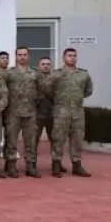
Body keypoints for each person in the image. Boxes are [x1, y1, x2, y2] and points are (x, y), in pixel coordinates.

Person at [44, 47, 93, 178]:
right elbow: (48, 90)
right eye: (69, 55)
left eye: (74, 55)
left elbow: (88, 91)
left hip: (77, 111)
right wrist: (59, 101)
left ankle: (77, 165)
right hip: (61, 111)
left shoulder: (84, 74)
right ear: (64, 58)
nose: (72, 57)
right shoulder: (56, 74)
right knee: (58, 138)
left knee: (77, 138)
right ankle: (56, 164)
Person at [3, 46, 40, 178]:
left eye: (25, 55)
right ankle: (12, 166)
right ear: (16, 56)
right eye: (20, 55)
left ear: (28, 56)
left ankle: (31, 166)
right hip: (13, 112)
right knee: (11, 141)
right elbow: (3, 90)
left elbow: (41, 90)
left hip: (30, 113)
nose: (22, 57)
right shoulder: (10, 73)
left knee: (30, 141)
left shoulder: (35, 73)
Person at [35, 56, 63, 172]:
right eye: (43, 64)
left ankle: (57, 164)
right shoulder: (34, 78)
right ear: (39, 66)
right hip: (37, 114)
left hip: (53, 114)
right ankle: (32, 164)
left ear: (51, 66)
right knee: (33, 140)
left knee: (56, 140)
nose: (46, 66)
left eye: (48, 64)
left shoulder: (56, 78)